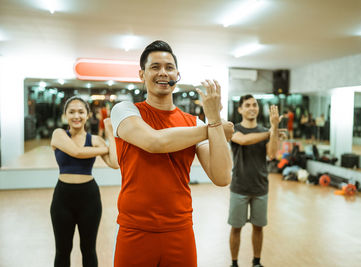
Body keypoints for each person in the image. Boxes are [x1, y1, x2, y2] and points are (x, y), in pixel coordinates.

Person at [110, 40, 234, 267]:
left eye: (169, 67)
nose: (163, 73)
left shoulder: (194, 124)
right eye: (155, 67)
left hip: (179, 228)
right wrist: (212, 128)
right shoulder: (124, 111)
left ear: (178, 74)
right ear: (142, 74)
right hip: (135, 229)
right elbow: (154, 142)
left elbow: (222, 177)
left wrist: (214, 119)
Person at [50, 96, 119, 267]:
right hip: (62, 199)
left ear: (87, 115)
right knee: (62, 250)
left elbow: (115, 163)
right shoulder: (58, 135)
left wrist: (109, 131)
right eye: (71, 112)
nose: (76, 116)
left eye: (81, 112)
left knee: (88, 249)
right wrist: (104, 149)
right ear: (65, 115)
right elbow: (77, 152)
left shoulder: (95, 140)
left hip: (89, 199)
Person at [229, 94, 280, 267]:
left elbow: (272, 154)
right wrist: (270, 132)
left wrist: (274, 129)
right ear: (240, 109)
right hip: (239, 186)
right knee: (236, 228)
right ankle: (234, 263)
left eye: (255, 105)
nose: (252, 108)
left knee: (258, 227)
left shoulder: (266, 130)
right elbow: (243, 140)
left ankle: (256, 262)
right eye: (248, 105)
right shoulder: (233, 129)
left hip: (260, 187)